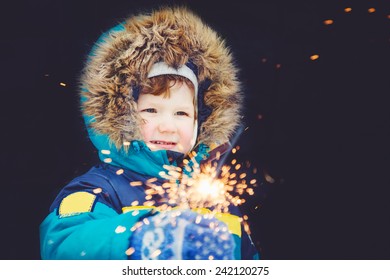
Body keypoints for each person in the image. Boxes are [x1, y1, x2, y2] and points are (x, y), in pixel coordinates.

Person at [40, 6, 259, 260]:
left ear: (203, 123)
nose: (167, 126)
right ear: (122, 115)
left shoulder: (217, 200)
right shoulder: (98, 189)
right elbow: (65, 245)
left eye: (182, 114)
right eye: (151, 110)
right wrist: (140, 237)